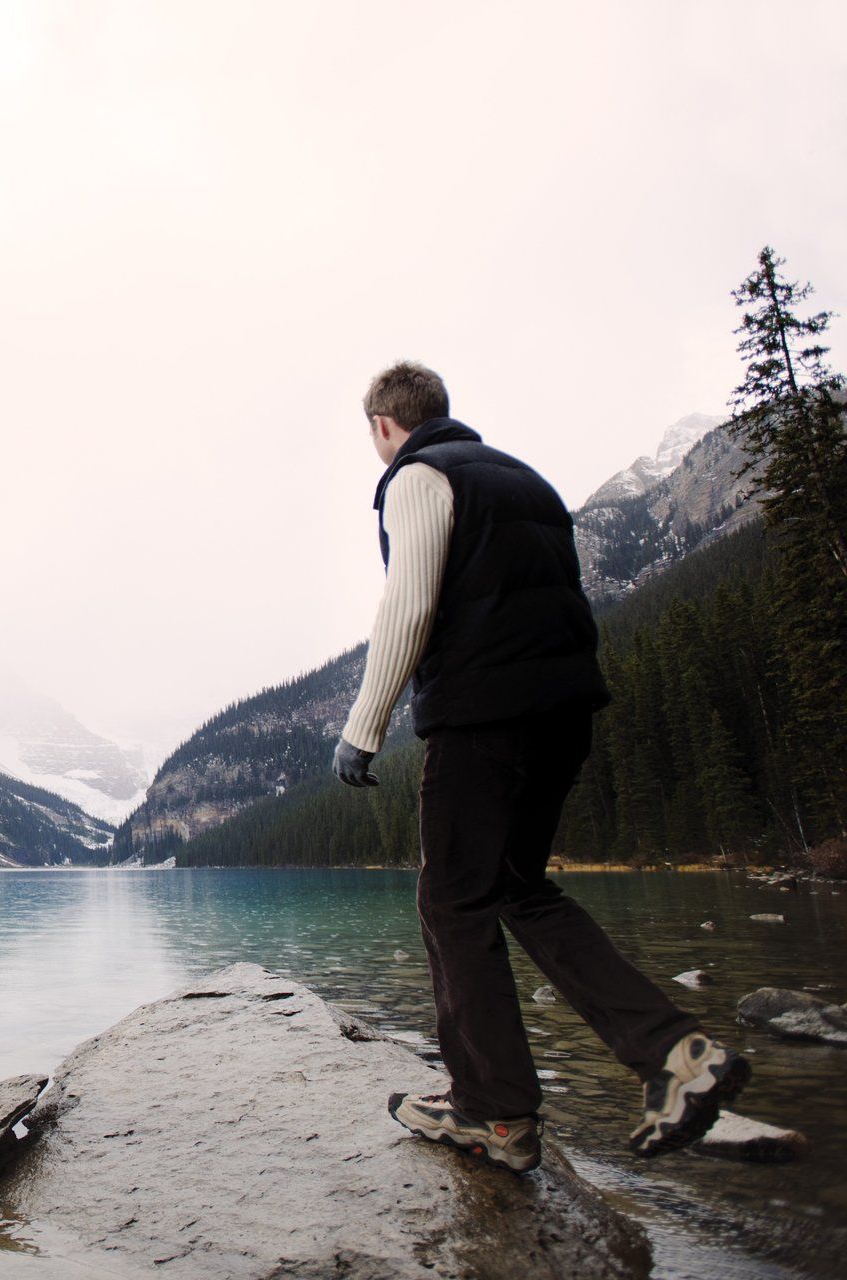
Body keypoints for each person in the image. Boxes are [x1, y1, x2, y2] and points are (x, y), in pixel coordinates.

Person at [331, 360, 749, 1175]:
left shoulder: (417, 476)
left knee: (453, 903)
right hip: (564, 715)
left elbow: (409, 604)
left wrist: (364, 728)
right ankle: (676, 1055)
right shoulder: (525, 479)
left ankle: (493, 1111)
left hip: (483, 718)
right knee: (520, 888)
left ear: (383, 425)